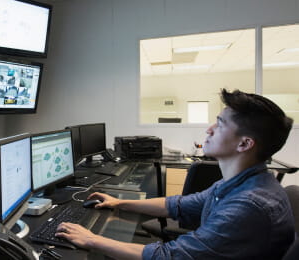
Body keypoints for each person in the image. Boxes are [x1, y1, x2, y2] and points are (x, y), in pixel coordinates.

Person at [56, 89, 295, 259]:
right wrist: (120, 202)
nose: (209, 129)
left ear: (244, 144)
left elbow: (168, 256)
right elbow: (179, 205)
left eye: (220, 124)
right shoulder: (242, 183)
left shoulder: (248, 206)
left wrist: (91, 240)